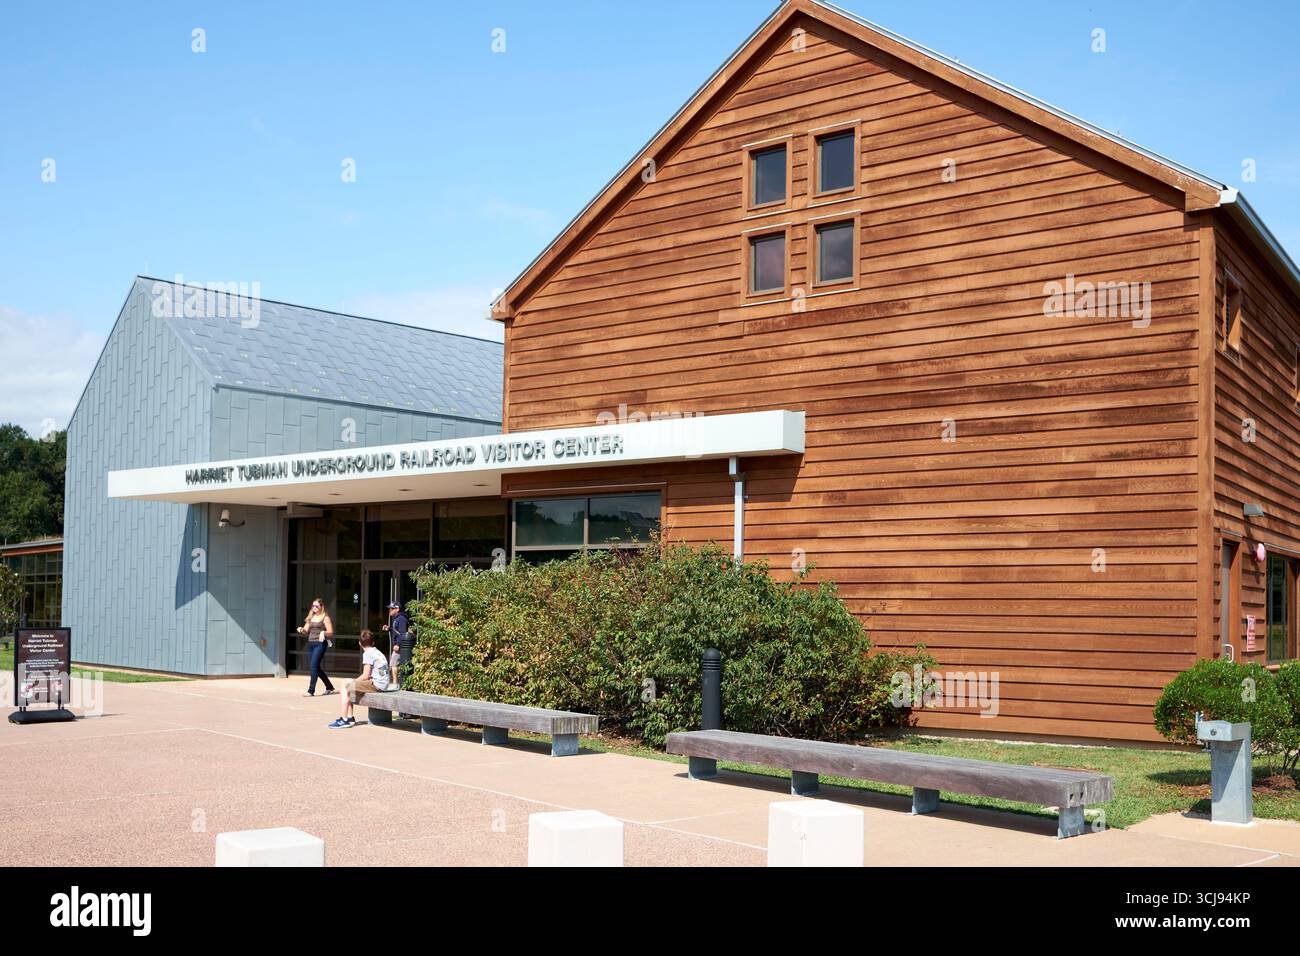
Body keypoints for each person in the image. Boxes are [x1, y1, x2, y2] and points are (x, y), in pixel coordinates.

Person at [329, 630, 390, 729]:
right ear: (373, 642)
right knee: (348, 683)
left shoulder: (368, 653)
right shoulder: (376, 651)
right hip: (382, 683)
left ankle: (343, 719)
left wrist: (353, 682)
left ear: (359, 643)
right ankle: (350, 718)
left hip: (377, 685)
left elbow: (365, 675)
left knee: (345, 685)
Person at [298, 598, 335, 697]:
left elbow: (331, 632)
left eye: (317, 606)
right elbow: (306, 630)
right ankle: (329, 687)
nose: (314, 607)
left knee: (313, 666)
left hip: (320, 644)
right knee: (316, 668)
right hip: (311, 644)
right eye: (313, 606)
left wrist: (324, 632)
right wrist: (301, 629)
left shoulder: (325, 618)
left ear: (321, 607)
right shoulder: (311, 617)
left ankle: (311, 691)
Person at [381, 602, 411, 690]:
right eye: (390, 608)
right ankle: (396, 683)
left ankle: (395, 683)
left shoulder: (401, 619)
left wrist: (398, 644)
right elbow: (397, 631)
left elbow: (402, 633)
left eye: (392, 608)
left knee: (393, 664)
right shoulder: (397, 619)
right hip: (399, 645)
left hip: (400, 646)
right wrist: (389, 629)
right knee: (394, 664)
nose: (390, 610)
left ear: (397, 609)